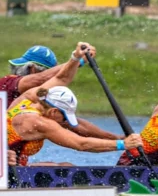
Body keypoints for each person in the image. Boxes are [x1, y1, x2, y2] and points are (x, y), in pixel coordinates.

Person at [7, 42, 143, 166]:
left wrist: (76, 58)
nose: (66, 122)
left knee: (64, 167)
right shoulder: (40, 123)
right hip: (6, 170)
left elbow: (61, 78)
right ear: (54, 111)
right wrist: (122, 144)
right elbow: (81, 144)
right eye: (65, 117)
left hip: (12, 164)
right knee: (65, 168)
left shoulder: (31, 97)